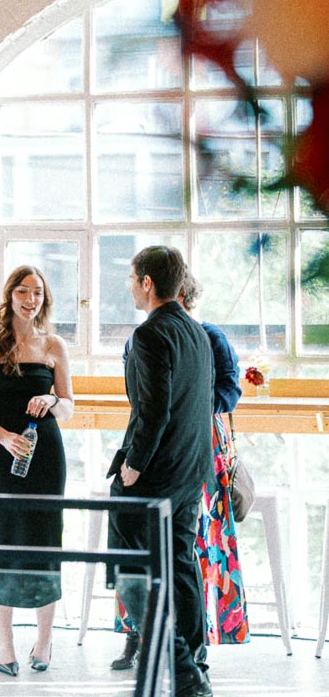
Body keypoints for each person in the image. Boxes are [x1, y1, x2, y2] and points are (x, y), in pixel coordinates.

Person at [110, 272, 248, 668]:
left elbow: (226, 391)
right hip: (177, 452)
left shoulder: (204, 336)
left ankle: (182, 656)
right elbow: (143, 399)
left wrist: (188, 415)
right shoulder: (143, 336)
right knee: (171, 555)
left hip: (189, 449)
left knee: (164, 553)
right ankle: (155, 645)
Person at [107, 246, 214, 697]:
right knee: (182, 563)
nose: (130, 286)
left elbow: (153, 411)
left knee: (131, 564)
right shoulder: (197, 331)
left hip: (157, 471)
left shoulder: (151, 334)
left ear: (148, 283)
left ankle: (181, 669)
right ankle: (196, 665)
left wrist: (132, 466)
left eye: (132, 279)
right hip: (193, 468)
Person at [0, 264, 75, 675]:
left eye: (38, 293)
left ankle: (44, 641)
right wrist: (3, 438)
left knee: (46, 539)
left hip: (45, 455)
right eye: (23, 292)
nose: (30, 300)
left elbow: (70, 404)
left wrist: (52, 402)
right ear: (9, 296)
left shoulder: (54, 345)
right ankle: (4, 641)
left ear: (45, 299)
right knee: (2, 538)